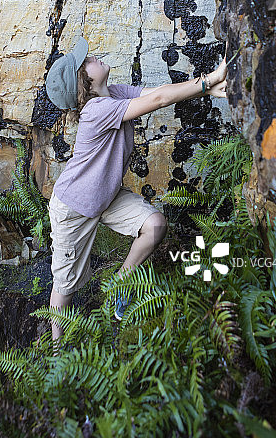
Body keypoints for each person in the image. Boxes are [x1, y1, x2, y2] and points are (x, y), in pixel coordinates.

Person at [44, 36, 227, 352]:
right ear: (83, 84)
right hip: (73, 207)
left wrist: (206, 88)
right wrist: (208, 79)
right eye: (87, 62)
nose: (94, 57)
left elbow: (157, 95)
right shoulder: (96, 111)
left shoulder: (113, 93)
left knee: (154, 225)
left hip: (105, 196)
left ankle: (120, 286)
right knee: (66, 285)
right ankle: (56, 351)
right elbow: (157, 103)